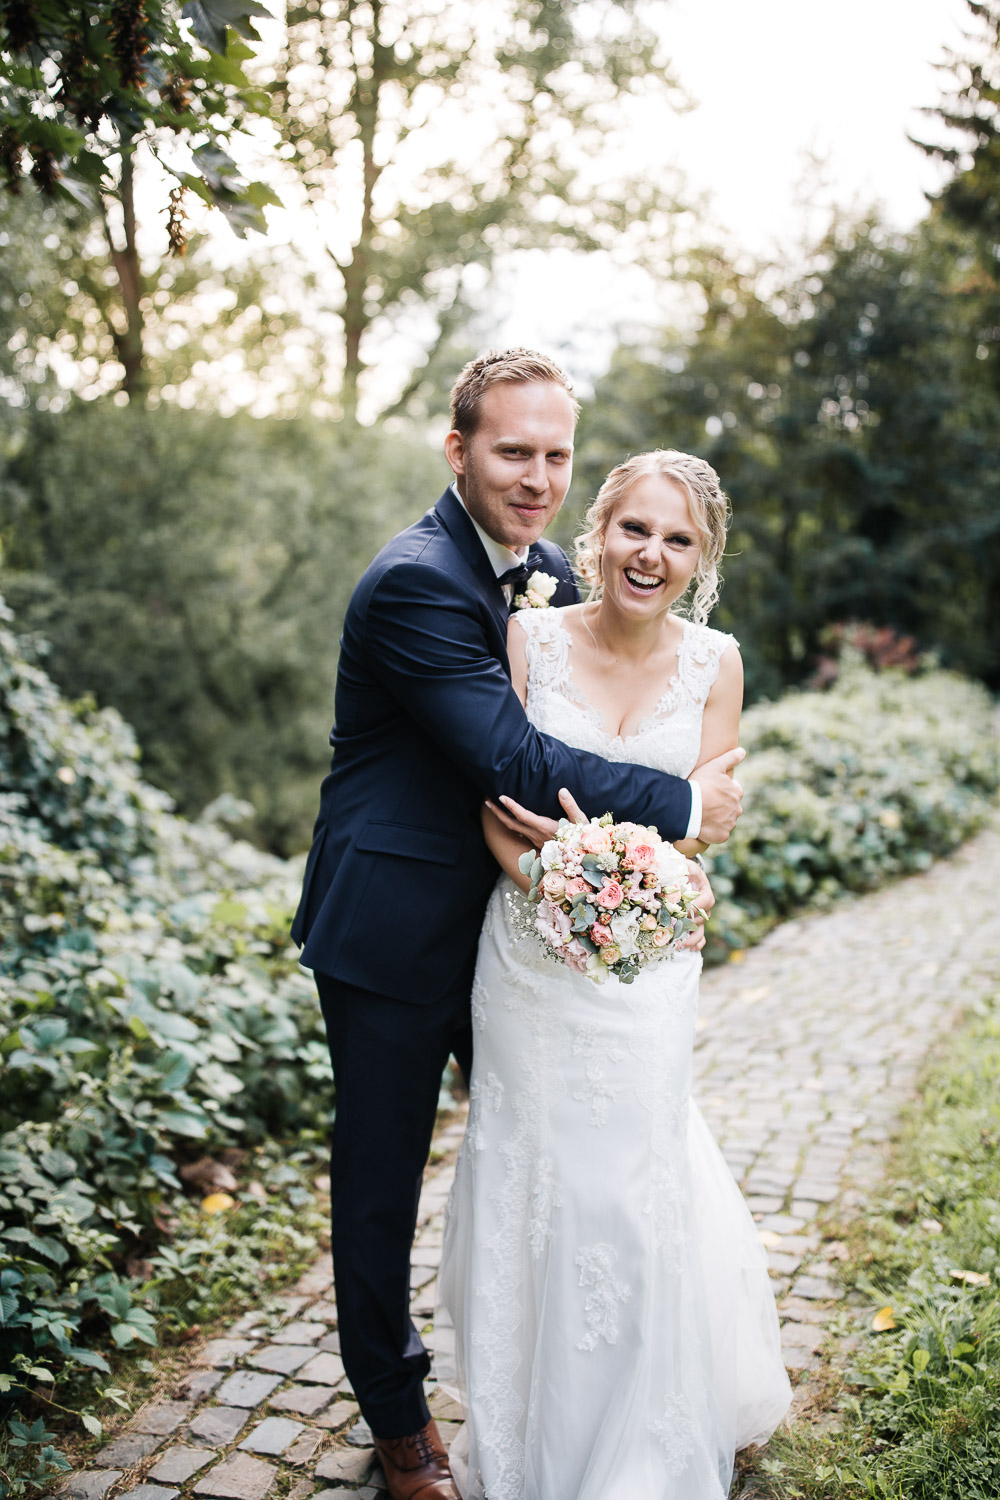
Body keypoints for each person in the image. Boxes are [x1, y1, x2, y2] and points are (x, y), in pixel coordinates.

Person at [292, 350, 746, 1500]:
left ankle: (597, 1389)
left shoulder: (540, 572)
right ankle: (398, 1420)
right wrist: (689, 805)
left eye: (555, 455)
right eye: (512, 453)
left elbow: (605, 653)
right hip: (396, 929)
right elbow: (517, 763)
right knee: (381, 1179)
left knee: (561, 1161)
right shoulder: (416, 581)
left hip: (524, 935)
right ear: (458, 451)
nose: (537, 478)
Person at [436, 449, 792, 1500]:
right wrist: (556, 882)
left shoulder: (716, 664)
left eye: (678, 539)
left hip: (648, 968)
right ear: (598, 532)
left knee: (631, 1185)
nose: (651, 554)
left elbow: (706, 825)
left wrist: (625, 884)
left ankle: (641, 1443)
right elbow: (495, 807)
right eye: (636, 528)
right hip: (528, 958)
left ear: (701, 559)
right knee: (535, 1178)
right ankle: (527, 1433)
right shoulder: (530, 639)